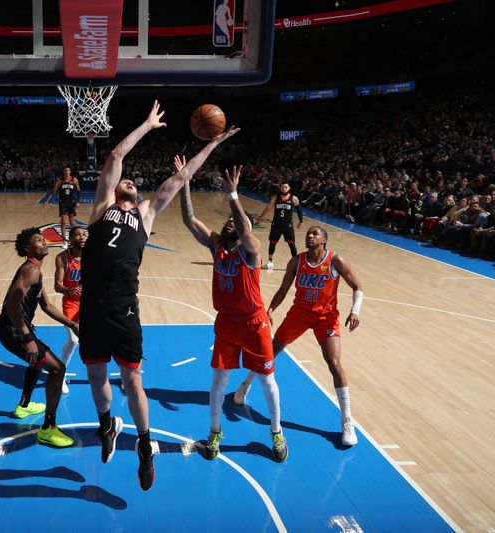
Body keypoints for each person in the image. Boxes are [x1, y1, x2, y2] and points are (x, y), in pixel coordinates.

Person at [79, 100, 239, 491]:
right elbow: (116, 154)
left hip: (123, 307)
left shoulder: (146, 214)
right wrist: (148, 125)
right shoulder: (100, 209)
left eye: (134, 182)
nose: (130, 181)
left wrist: (212, 145)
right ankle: (107, 427)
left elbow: (183, 176)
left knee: (132, 380)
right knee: (96, 375)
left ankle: (145, 447)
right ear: (115, 189)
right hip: (92, 307)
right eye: (126, 182)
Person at [179, 163, 289, 463]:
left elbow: (243, 227)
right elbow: (189, 219)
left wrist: (233, 196)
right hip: (226, 322)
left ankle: (276, 432)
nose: (229, 223)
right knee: (218, 381)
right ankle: (214, 432)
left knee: (267, 380)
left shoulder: (251, 250)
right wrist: (185, 182)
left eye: (234, 222)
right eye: (227, 221)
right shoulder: (218, 247)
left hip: (254, 323)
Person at [233, 226, 364, 446]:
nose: (310, 236)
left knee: (334, 363)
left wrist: (355, 310)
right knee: (269, 352)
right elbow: (284, 288)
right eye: (308, 234)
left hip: (326, 318)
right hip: (299, 315)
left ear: (324, 240)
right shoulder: (297, 261)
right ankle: (245, 385)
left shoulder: (335, 261)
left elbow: (357, 286)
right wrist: (271, 309)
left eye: (315, 234)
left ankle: (346, 420)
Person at [0, 227, 79, 447]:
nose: (44, 242)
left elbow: (47, 305)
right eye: (38, 240)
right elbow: (11, 305)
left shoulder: (37, 271)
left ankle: (24, 406)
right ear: (27, 248)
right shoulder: (31, 270)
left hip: (16, 328)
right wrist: (27, 338)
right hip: (13, 330)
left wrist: (71, 323)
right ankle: (48, 429)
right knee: (57, 368)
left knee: (36, 361)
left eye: (44, 239)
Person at [53, 225, 86, 394]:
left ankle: (127, 374)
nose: (82, 237)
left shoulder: (93, 255)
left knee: (106, 335)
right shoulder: (62, 257)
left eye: (84, 234)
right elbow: (57, 286)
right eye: (78, 235)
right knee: (74, 340)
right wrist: (69, 290)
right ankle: (60, 374)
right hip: (71, 303)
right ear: (71, 239)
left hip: (90, 302)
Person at [256, 182, 303, 270]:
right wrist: (260, 217)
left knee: (291, 244)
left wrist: (301, 222)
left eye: (286, 187)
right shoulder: (275, 197)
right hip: (276, 224)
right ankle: (270, 262)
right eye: (282, 187)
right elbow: (268, 207)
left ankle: (296, 264)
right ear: (280, 188)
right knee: (272, 243)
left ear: (289, 188)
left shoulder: (294, 198)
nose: (284, 189)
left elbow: (299, 210)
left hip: (288, 225)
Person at [44, 166, 80, 249]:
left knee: (72, 223)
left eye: (68, 170)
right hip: (63, 202)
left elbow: (78, 191)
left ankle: (74, 239)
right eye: (65, 170)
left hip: (71, 202)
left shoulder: (74, 180)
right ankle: (64, 240)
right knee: (63, 222)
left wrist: (78, 202)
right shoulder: (60, 181)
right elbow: (53, 191)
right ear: (63, 172)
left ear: (70, 171)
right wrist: (47, 201)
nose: (67, 172)